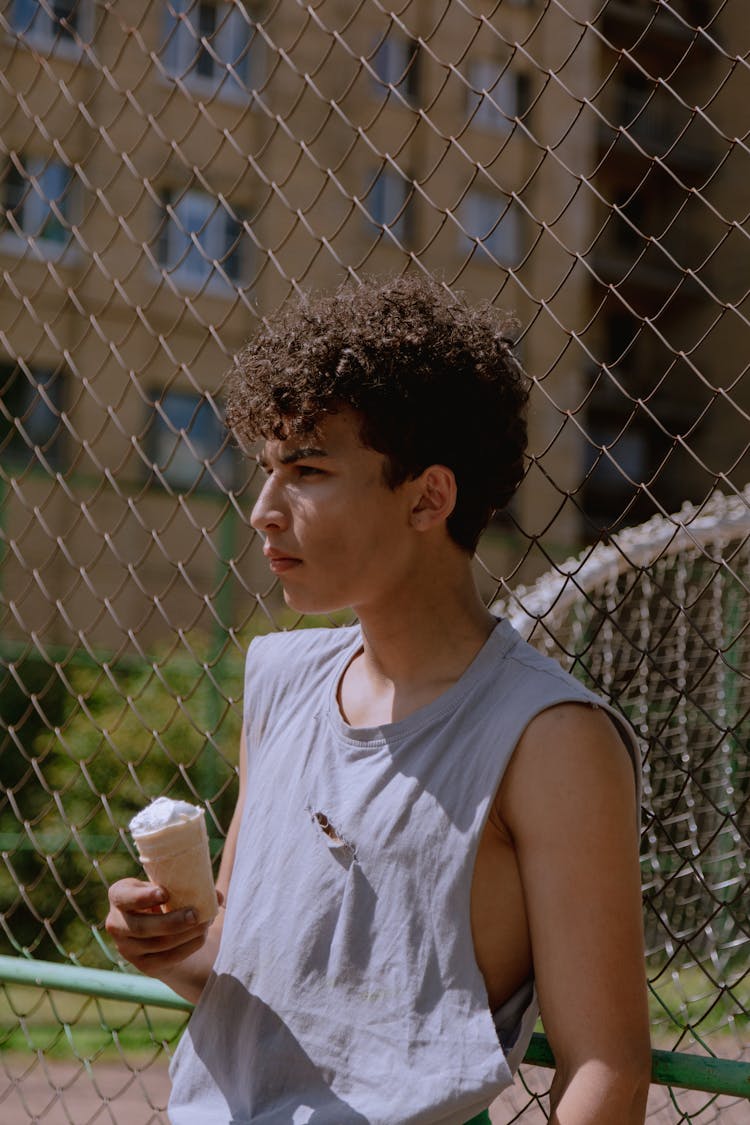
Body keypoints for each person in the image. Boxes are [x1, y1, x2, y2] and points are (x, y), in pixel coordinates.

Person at [106, 275, 651, 1124]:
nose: (261, 511)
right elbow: (241, 972)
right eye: (267, 470)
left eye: (308, 470)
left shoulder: (550, 739)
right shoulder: (280, 678)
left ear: (429, 496)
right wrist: (168, 943)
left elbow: (605, 1067)